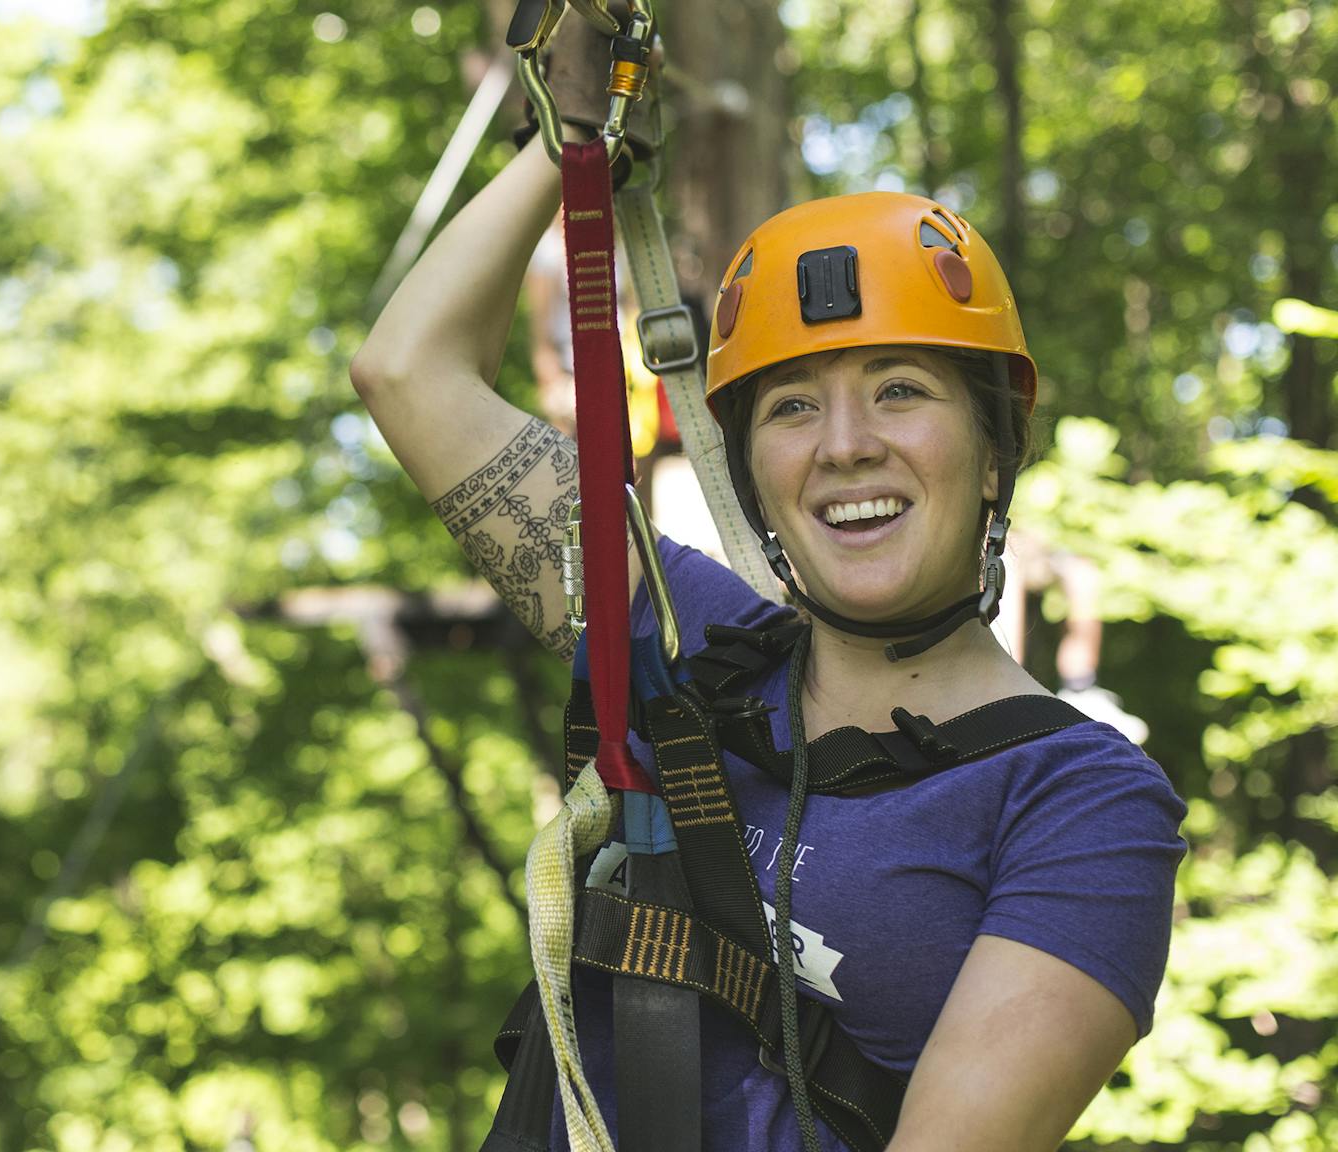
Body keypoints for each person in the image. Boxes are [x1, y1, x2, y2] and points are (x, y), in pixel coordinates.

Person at [350, 20, 1186, 1150]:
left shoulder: (1080, 804)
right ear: (750, 469)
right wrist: (573, 141)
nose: (843, 444)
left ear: (994, 451)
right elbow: (407, 372)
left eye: (899, 389)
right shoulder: (685, 636)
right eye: (791, 406)